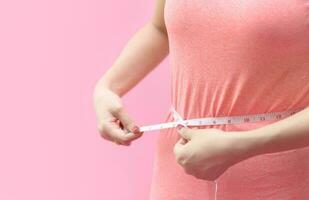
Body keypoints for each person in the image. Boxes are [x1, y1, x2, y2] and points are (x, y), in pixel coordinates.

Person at [93, 0, 309, 199]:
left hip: (278, 178)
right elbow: (160, 29)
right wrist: (108, 87)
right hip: (179, 171)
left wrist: (244, 145)